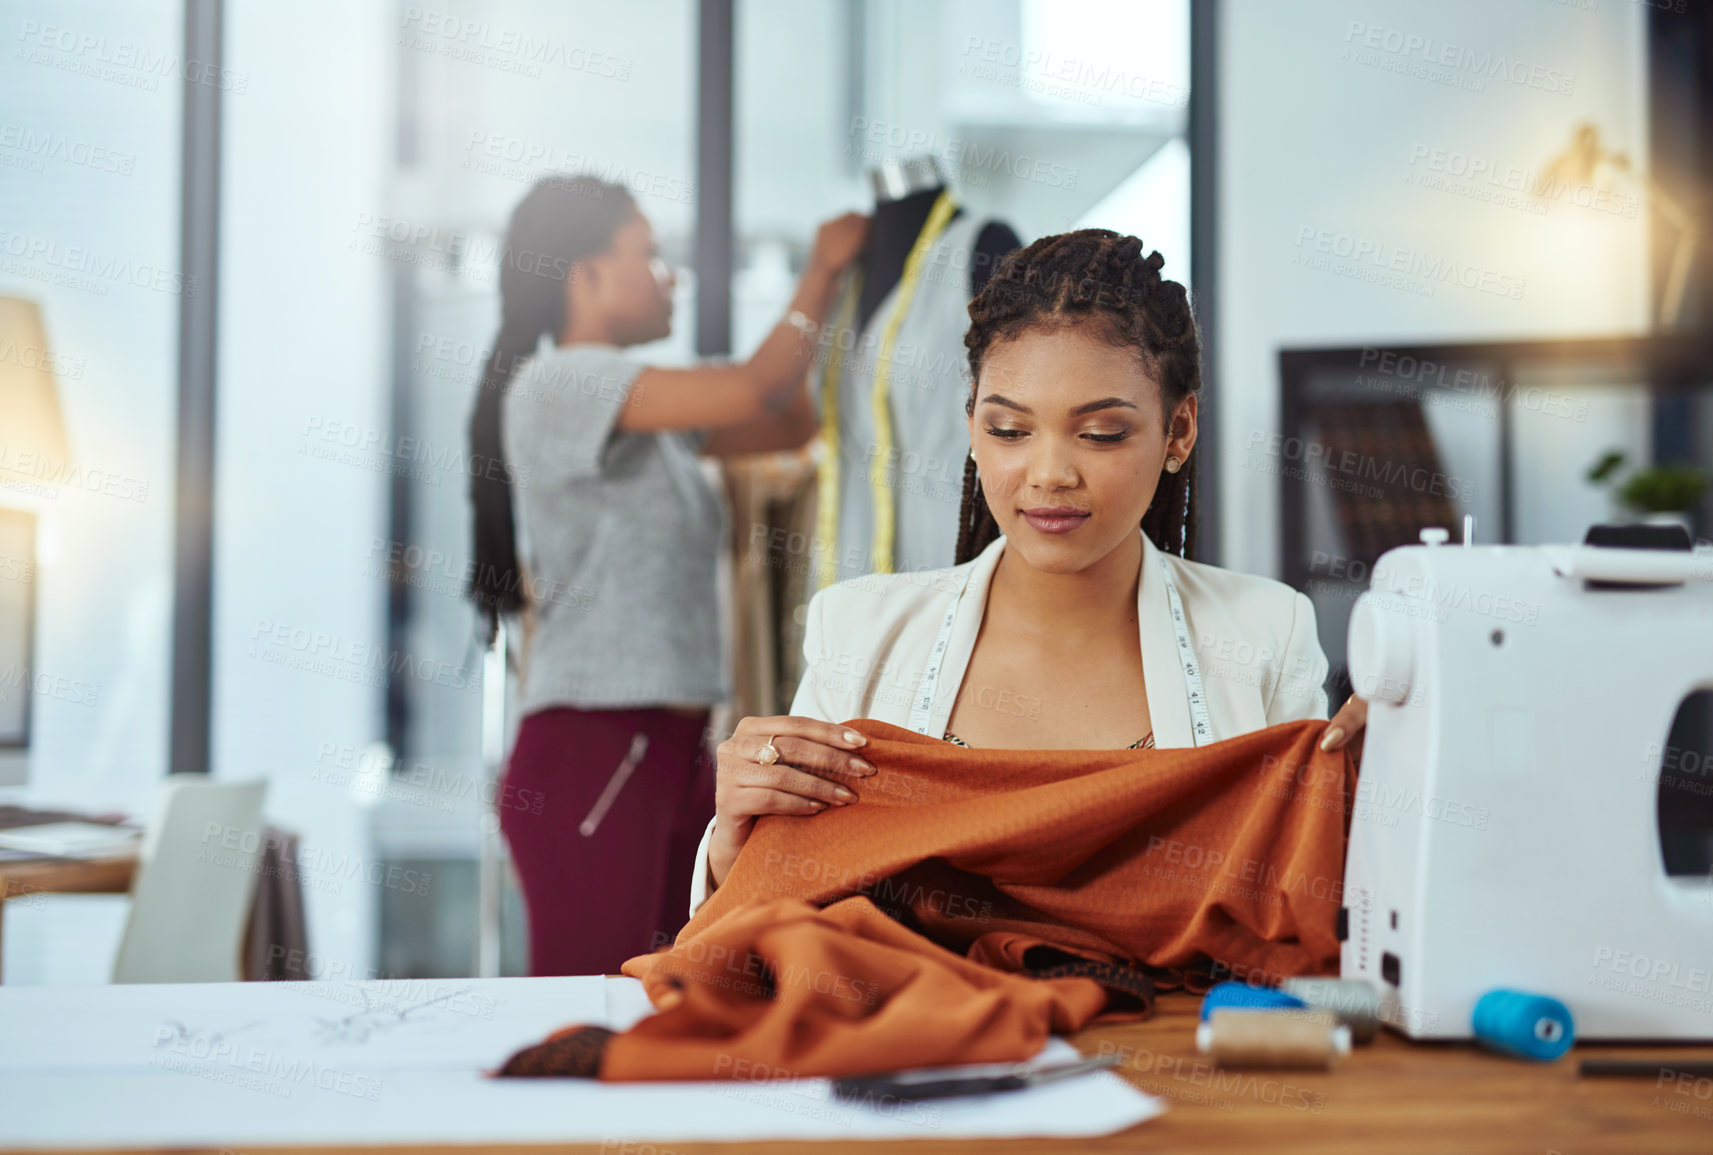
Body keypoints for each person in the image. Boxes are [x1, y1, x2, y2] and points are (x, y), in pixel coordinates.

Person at [690, 229, 1368, 912]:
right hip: (926, 1022)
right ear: (972, 427)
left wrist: (1372, 804)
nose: (1048, 474)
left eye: (1100, 433)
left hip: (1174, 1023)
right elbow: (772, 921)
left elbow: (1302, 911)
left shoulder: (1260, 633)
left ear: (1178, 431)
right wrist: (731, 844)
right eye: (1009, 431)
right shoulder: (861, 632)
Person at [466, 175, 868, 975]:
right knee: (592, 1013)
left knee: (663, 1001)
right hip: (597, 748)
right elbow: (760, 384)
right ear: (584, 275)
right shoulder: (562, 382)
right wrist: (819, 270)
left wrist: (841, 305)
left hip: (667, 752)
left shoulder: (653, 430)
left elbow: (790, 416)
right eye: (648, 255)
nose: (669, 275)